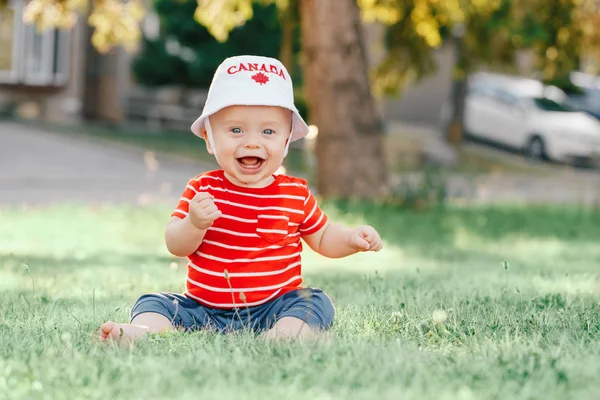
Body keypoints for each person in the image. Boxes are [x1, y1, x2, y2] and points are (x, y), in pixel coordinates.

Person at [98, 55, 382, 343]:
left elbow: (323, 238)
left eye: (268, 131)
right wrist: (194, 223)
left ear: (286, 143)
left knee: (316, 301)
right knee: (153, 302)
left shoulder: (295, 193)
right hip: (203, 309)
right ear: (209, 139)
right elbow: (175, 244)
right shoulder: (202, 189)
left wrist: (350, 240)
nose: (252, 142)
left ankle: (284, 334)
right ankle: (143, 332)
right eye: (235, 130)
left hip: (273, 307)